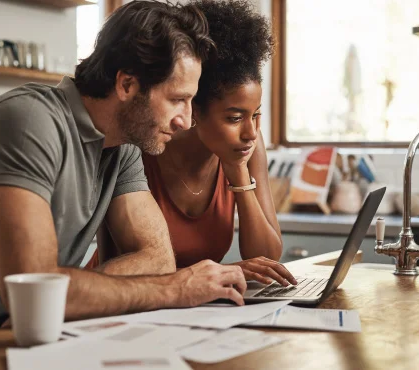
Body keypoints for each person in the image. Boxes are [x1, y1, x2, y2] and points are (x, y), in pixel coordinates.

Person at [0, 0, 248, 346]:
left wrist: (70, 293)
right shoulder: (27, 123)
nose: (186, 121)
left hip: (25, 335)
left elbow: (157, 259)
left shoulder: (124, 145)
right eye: (177, 99)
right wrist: (175, 289)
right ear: (127, 85)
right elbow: (35, 289)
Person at [87, 0, 297, 287]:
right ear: (194, 110)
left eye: (256, 115)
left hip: (195, 304)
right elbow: (124, 261)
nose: (251, 132)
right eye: (235, 118)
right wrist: (223, 272)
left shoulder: (246, 147)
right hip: (122, 297)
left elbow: (268, 258)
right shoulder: (143, 144)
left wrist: (237, 174)